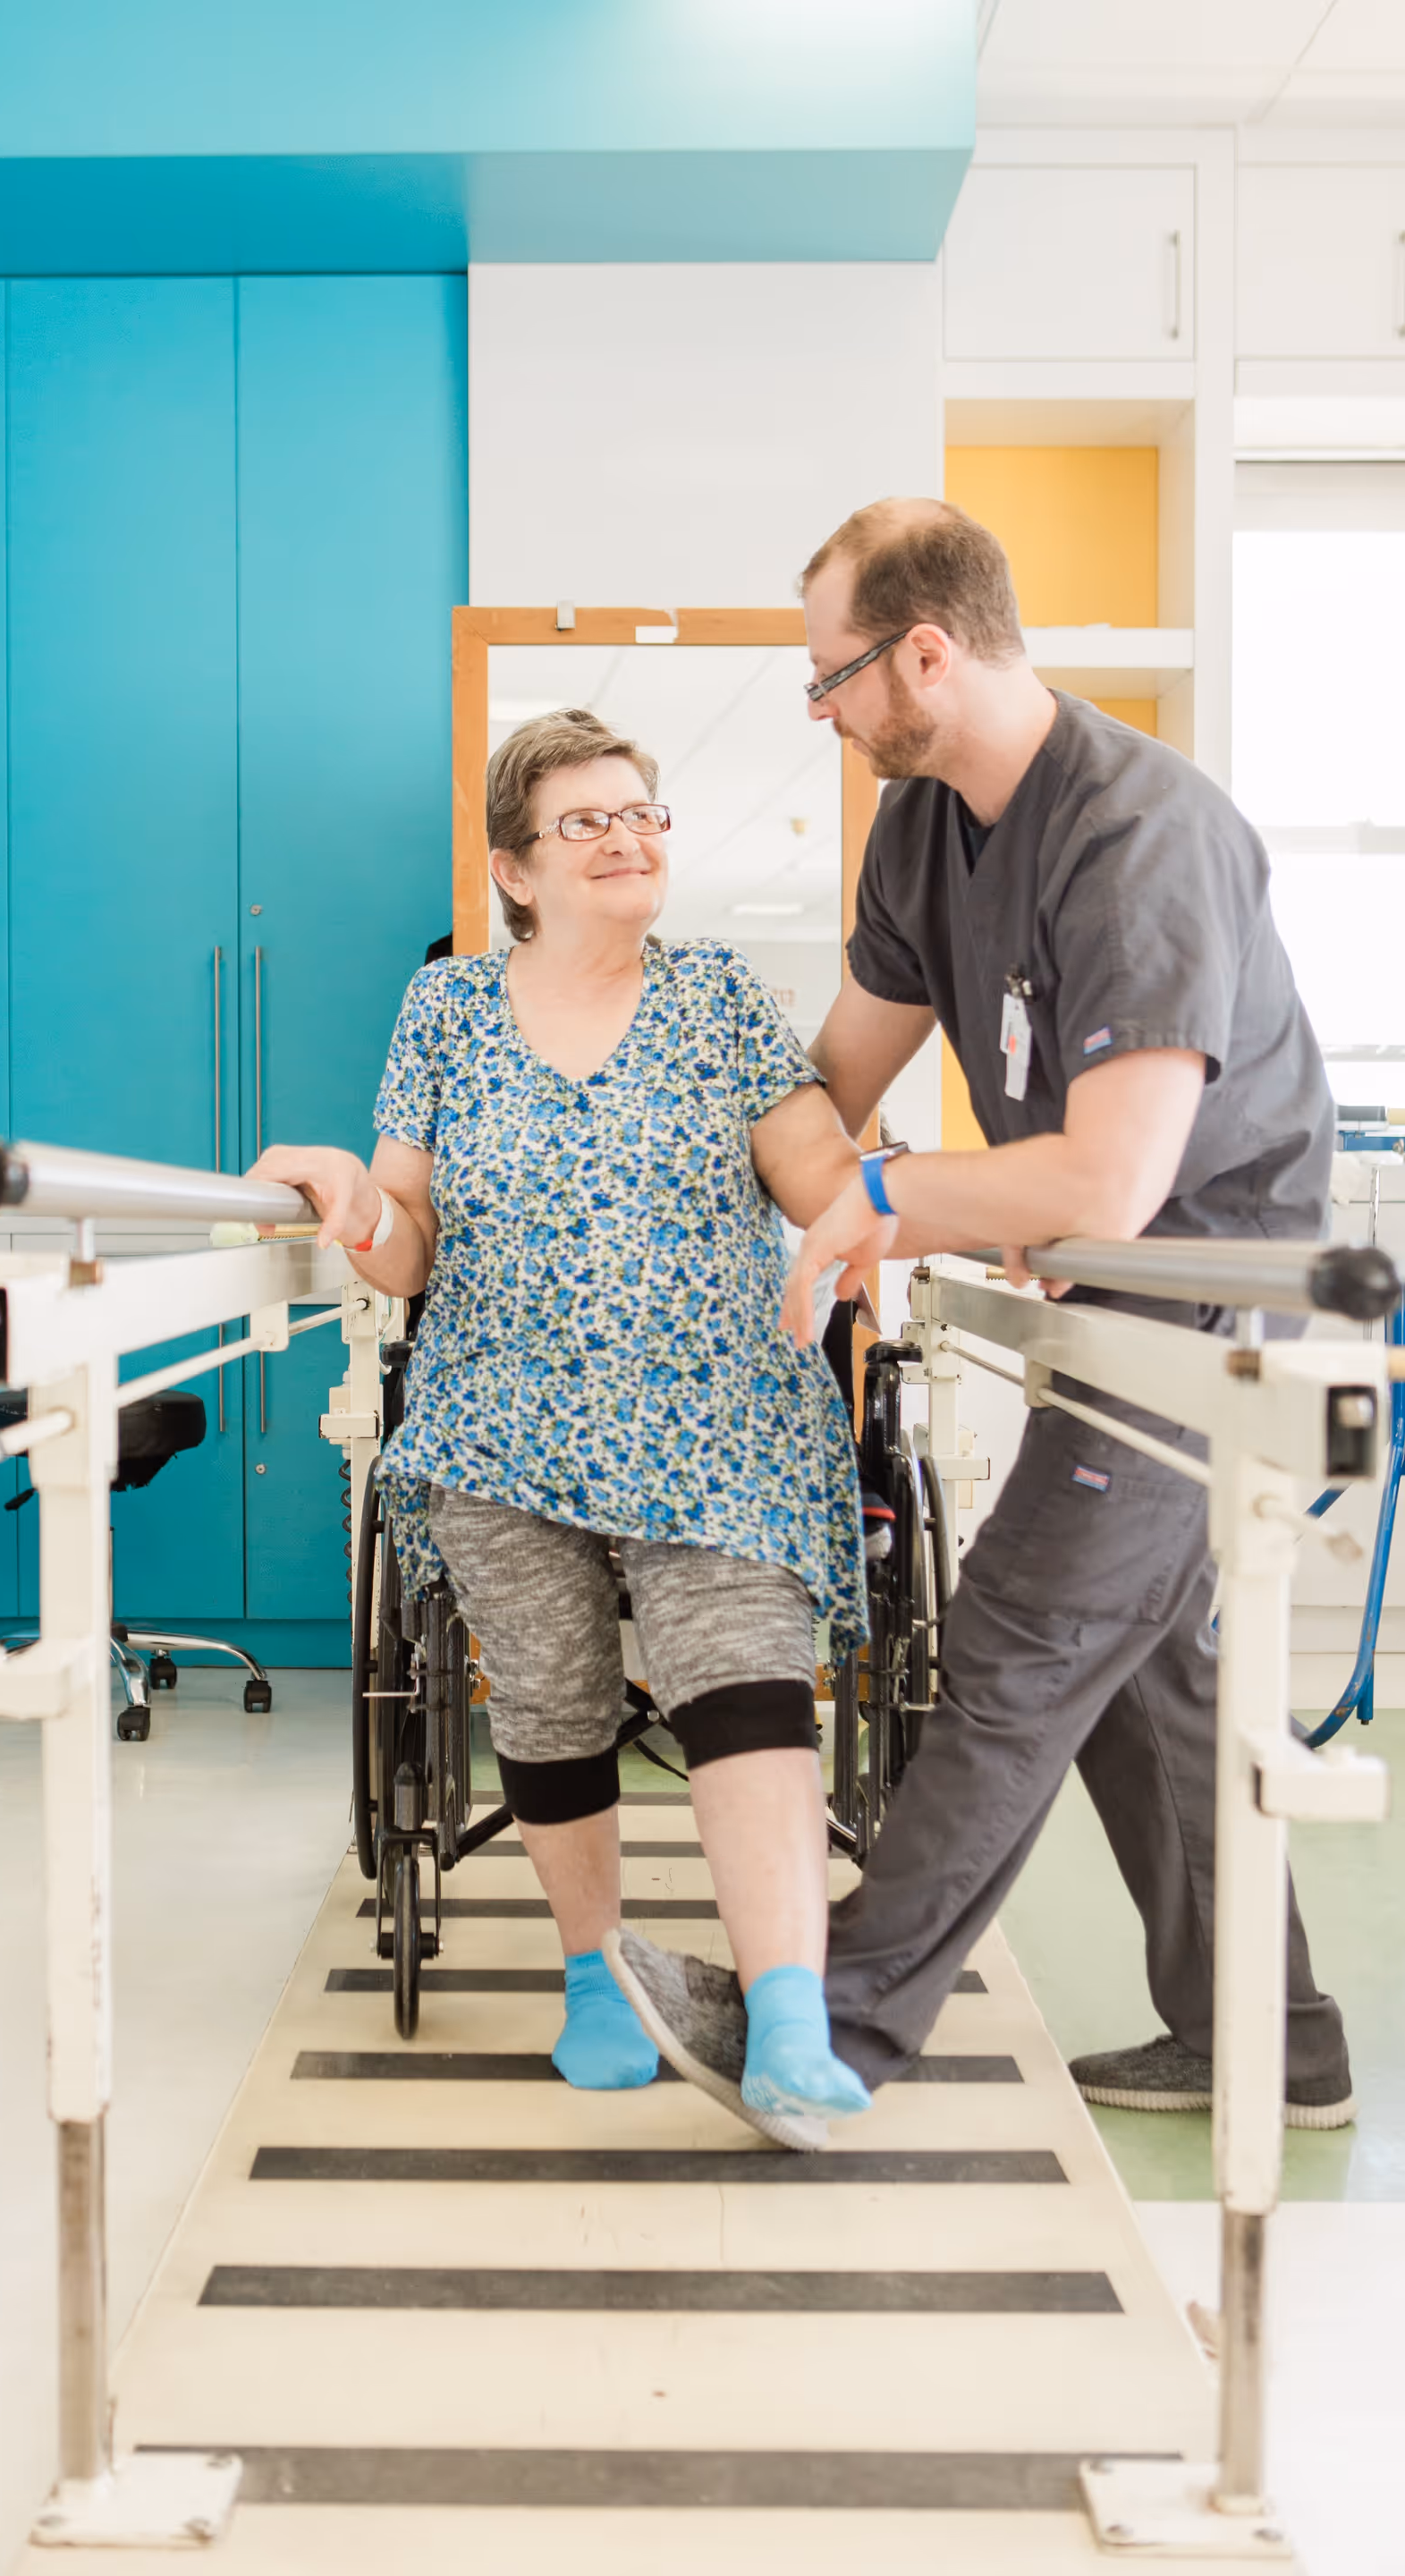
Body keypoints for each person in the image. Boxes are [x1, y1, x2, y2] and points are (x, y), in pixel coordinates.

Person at [607, 498, 1356, 2139]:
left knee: (1018, 1639)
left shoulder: (1142, 834)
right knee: (1144, 1688)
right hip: (1109, 1289)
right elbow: (832, 1086)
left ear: (924, 656)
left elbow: (1113, 1177)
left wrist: (887, 1203)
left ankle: (832, 2027)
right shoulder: (922, 832)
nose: (823, 710)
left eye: (831, 678)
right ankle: (1275, 2039)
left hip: (1213, 1307)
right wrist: (715, 1161)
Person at [255, 708, 870, 2145]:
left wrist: (890, 1202)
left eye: (643, 812)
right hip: (499, 1421)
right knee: (547, 1696)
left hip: (715, 1414)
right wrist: (353, 1200)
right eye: (588, 820)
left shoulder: (720, 997)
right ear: (515, 869)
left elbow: (816, 1174)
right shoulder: (450, 1012)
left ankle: (787, 2012)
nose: (628, 836)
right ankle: (597, 1973)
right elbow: (406, 1247)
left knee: (744, 1675)